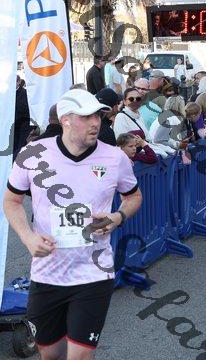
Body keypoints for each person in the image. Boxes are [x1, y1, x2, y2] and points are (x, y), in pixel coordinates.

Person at [3, 88, 141, 360]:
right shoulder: (33, 154)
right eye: (86, 116)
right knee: (50, 354)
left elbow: (133, 196)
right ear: (66, 119)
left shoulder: (115, 158)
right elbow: (11, 200)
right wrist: (28, 237)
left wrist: (118, 217)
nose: (95, 122)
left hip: (94, 274)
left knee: (79, 356)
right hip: (47, 275)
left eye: (98, 116)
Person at [14, 75, 31, 162]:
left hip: (22, 126)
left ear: (19, 82)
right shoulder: (6, 95)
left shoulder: (25, 94)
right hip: (11, 126)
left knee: (19, 147)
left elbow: (26, 111)